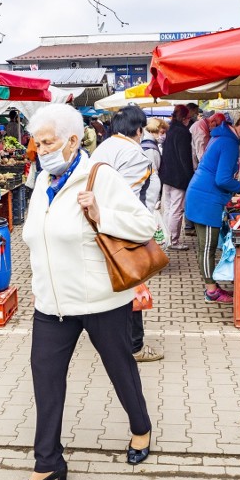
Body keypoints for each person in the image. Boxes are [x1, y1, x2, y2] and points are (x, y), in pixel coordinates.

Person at [15, 104, 155, 480]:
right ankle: (48, 462)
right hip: (51, 305)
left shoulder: (100, 176)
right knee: (45, 380)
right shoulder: (42, 180)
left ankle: (141, 429)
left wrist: (101, 213)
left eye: (48, 141)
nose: (40, 149)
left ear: (73, 140)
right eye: (36, 142)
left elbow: (147, 225)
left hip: (100, 301)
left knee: (119, 368)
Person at [92, 104, 163, 363]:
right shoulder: (134, 154)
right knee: (132, 284)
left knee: (114, 284)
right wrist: (140, 230)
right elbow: (129, 197)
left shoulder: (103, 148)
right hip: (122, 228)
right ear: (139, 130)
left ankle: (112, 340)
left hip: (101, 225)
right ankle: (134, 346)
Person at [185, 111, 240, 304]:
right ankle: (211, 291)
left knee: (207, 246)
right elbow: (222, 179)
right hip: (206, 199)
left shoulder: (222, 136)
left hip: (203, 195)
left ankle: (211, 285)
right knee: (207, 247)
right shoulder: (228, 143)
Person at [159, 105, 196, 251]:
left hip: (167, 175)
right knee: (176, 209)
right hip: (178, 176)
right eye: (188, 118)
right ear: (185, 118)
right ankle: (173, 241)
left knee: (168, 208)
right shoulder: (182, 132)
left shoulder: (170, 129)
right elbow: (185, 158)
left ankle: (166, 237)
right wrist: (189, 177)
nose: (189, 121)